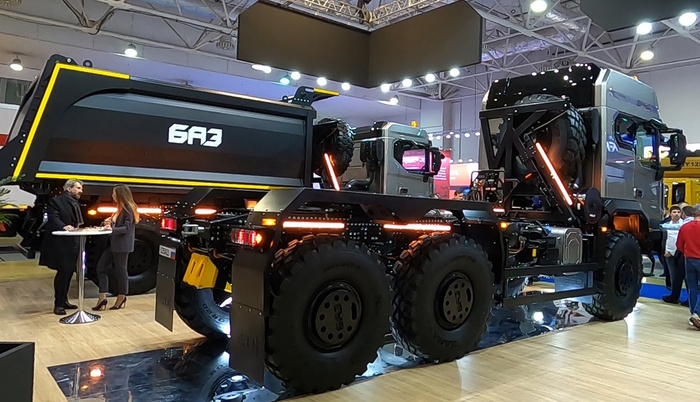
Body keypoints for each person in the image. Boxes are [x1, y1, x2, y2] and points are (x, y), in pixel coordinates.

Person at [39, 179, 84, 315]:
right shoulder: (56, 201)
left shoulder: (74, 202)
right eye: (78, 188)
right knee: (63, 273)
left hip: (73, 242)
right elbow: (54, 218)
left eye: (81, 188)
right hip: (61, 244)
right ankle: (58, 304)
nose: (81, 191)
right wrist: (64, 226)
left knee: (69, 272)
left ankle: (64, 300)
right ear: (69, 189)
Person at [92, 184, 138, 311]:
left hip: (122, 245)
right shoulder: (119, 208)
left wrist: (112, 229)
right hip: (113, 244)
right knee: (101, 267)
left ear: (120, 194)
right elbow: (116, 224)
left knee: (120, 270)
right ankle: (102, 297)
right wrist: (108, 222)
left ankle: (122, 296)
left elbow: (126, 228)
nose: (112, 195)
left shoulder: (128, 208)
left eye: (114, 193)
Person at [675, 203, 700, 329]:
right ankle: (697, 313)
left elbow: (679, 245)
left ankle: (693, 314)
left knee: (692, 288)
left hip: (689, 259)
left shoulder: (685, 227)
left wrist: (687, 252)